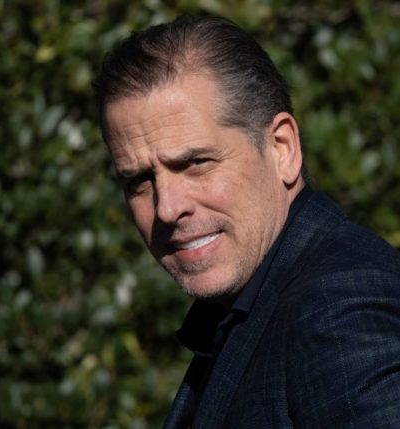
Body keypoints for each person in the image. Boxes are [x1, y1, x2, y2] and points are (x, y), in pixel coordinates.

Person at [94, 14, 400, 428]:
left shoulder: (336, 307)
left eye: (196, 163)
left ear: (282, 149)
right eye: (139, 180)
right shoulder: (245, 309)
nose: (167, 207)